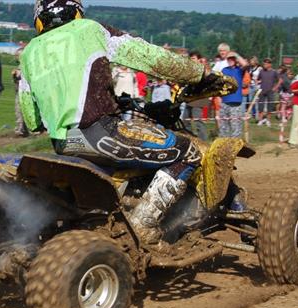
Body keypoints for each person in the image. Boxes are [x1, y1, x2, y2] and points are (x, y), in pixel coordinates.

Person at [16, 0, 235, 245]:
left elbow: (32, 119)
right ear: (76, 10)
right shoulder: (90, 30)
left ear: (39, 18)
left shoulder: (29, 53)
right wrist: (201, 74)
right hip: (102, 134)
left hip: (65, 144)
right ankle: (144, 224)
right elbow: (150, 57)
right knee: (189, 151)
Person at [183, 51, 209, 141]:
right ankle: (189, 139)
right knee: (185, 121)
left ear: (199, 59)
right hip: (190, 98)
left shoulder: (202, 69)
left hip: (199, 98)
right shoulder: (189, 70)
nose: (192, 60)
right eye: (191, 59)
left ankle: (203, 141)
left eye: (193, 58)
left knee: (198, 122)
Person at [219, 53, 244, 138]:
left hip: (235, 102)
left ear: (235, 60)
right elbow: (219, 84)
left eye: (232, 59)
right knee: (223, 127)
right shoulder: (224, 70)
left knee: (236, 127)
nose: (230, 60)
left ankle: (236, 146)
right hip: (224, 101)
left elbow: (245, 64)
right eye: (229, 59)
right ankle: (224, 145)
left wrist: (236, 55)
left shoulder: (239, 70)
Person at [256, 58, 281, 126]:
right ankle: (260, 120)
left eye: (266, 64)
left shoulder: (274, 72)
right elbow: (258, 79)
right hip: (262, 91)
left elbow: (280, 80)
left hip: (270, 91)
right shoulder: (261, 71)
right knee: (261, 106)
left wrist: (275, 87)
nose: (265, 65)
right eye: (264, 63)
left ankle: (268, 120)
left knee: (270, 106)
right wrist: (257, 82)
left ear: (270, 64)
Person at [11, 46, 29, 137]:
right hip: (19, 90)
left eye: (17, 55)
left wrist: (16, 73)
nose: (16, 57)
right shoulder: (20, 65)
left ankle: (22, 129)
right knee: (19, 110)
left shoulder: (25, 65)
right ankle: (22, 128)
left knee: (21, 110)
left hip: (24, 92)